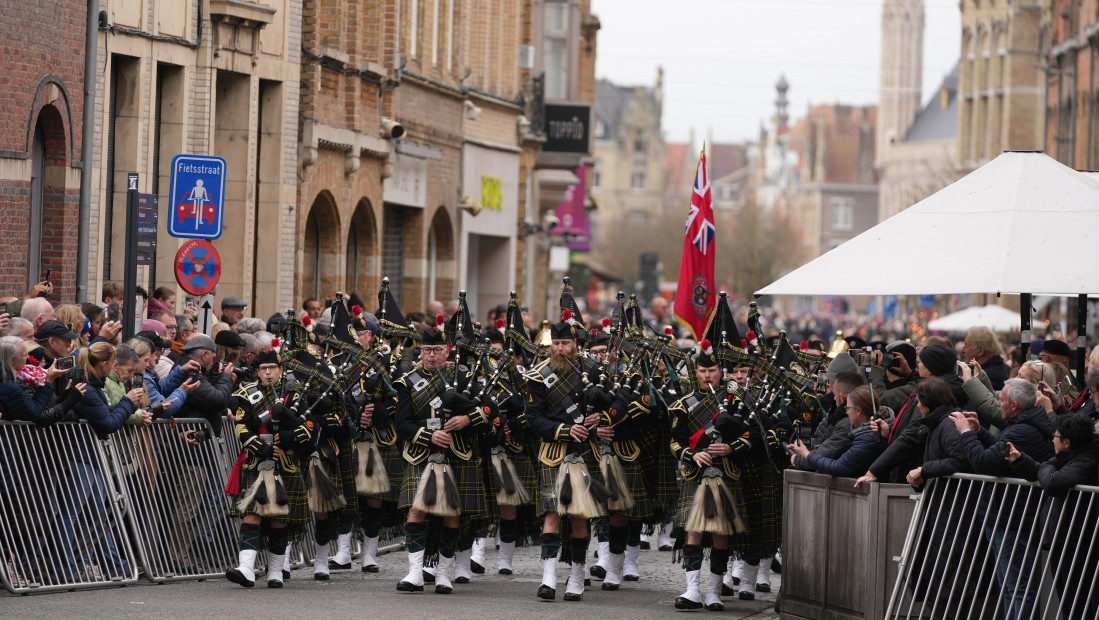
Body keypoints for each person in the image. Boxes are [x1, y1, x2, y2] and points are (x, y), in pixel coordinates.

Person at [393, 317, 494, 595]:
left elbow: (489, 410)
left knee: (452, 514)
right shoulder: (408, 382)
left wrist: (466, 420)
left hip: (458, 454)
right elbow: (401, 425)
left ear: (447, 351)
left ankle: (445, 573)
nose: (431, 356)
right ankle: (415, 572)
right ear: (420, 352)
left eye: (437, 350)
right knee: (416, 511)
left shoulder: (464, 377)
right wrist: (429, 435)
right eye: (426, 351)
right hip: (422, 455)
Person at [524, 312, 617, 602]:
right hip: (554, 452)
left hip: (585, 452)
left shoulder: (594, 369)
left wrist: (601, 418)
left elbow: (615, 400)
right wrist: (564, 430)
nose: (560, 349)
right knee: (551, 514)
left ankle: (577, 576)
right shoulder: (539, 374)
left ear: (575, 343)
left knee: (579, 516)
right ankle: (548, 579)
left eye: (565, 343)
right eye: (556, 343)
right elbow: (532, 418)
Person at [950, 378, 1053, 620]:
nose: (998, 403)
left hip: (1011, 518)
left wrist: (966, 433)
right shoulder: (1023, 425)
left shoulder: (1021, 430)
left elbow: (983, 463)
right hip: (1005, 516)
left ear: (1014, 405)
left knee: (1017, 586)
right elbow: (1000, 450)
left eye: (1002, 400)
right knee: (1009, 584)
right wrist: (980, 432)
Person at [224, 342, 313, 588]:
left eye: (272, 368)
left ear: (281, 369)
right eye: (263, 368)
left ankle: (275, 571)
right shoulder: (246, 394)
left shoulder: (296, 394)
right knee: (252, 515)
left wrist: (289, 437)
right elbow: (241, 427)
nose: (267, 372)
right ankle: (246, 569)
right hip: (257, 461)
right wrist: (259, 446)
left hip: (285, 462)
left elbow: (308, 428)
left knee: (278, 519)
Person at [667, 341, 746, 611]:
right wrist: (692, 455)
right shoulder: (682, 405)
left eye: (711, 370)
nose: (707, 376)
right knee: (693, 530)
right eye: (702, 371)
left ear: (720, 371)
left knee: (721, 532)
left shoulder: (736, 399)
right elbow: (675, 443)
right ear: (695, 372)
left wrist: (729, 447)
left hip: (725, 471)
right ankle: (692, 591)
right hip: (696, 474)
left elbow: (749, 436)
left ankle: (714, 592)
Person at [1006, 412, 1099, 620]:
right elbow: (1045, 474)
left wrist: (1047, 466)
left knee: (1076, 599)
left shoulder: (1086, 459)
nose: (1052, 441)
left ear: (1067, 442)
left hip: (1078, 540)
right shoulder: (1070, 456)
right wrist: (1022, 460)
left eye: (1055, 437)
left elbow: (1054, 482)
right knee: (1068, 596)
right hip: (1068, 538)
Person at [789, 384, 888, 478]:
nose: (846, 412)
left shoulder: (868, 438)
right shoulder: (865, 434)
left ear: (858, 411)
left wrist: (806, 454)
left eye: (848, 408)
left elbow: (838, 467)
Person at [173, 335, 235, 437]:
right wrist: (226, 377)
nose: (213, 362)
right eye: (213, 357)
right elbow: (218, 400)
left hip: (196, 438)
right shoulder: (190, 371)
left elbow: (204, 400)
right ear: (205, 354)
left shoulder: (193, 369)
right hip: (191, 443)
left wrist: (219, 378)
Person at [963, 326, 1010, 391]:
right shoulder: (995, 369)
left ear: (980, 350)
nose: (963, 350)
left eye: (966, 345)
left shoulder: (988, 376)